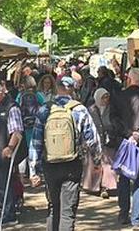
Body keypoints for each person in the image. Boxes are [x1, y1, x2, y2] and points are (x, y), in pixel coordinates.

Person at [30, 76, 103, 231]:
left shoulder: (45, 109)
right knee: (67, 211)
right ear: (72, 89)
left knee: (52, 208)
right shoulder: (79, 109)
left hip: (50, 165)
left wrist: (33, 171)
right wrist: (97, 161)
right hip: (72, 164)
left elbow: (35, 142)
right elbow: (93, 139)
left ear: (56, 88)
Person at [109, 68, 139, 230]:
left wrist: (128, 134)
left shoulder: (119, 96)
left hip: (124, 142)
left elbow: (113, 118)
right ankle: (136, 220)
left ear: (129, 79)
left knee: (124, 178)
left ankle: (123, 214)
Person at [0, 82, 25, 226]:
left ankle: (9, 214)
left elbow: (17, 131)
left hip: (4, 152)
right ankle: (3, 209)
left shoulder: (11, 107)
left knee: (5, 183)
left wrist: (9, 147)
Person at [82, 87, 118, 198]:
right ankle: (94, 186)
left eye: (107, 97)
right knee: (94, 165)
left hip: (108, 142)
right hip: (94, 142)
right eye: (103, 97)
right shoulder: (91, 110)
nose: (105, 100)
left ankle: (105, 187)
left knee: (108, 166)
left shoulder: (111, 109)